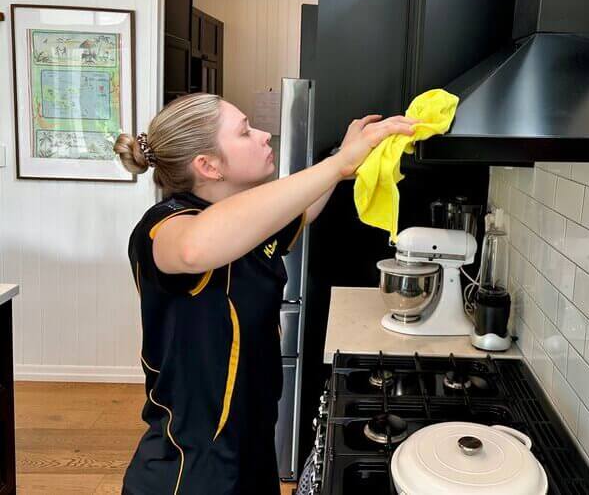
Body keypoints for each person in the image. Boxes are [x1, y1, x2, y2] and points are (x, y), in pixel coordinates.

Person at [114, 93, 416, 495]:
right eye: (245, 131)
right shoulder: (162, 225)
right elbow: (194, 248)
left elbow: (301, 210)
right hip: (191, 465)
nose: (263, 136)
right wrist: (335, 164)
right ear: (208, 165)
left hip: (253, 442)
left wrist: (342, 164)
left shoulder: (249, 219)